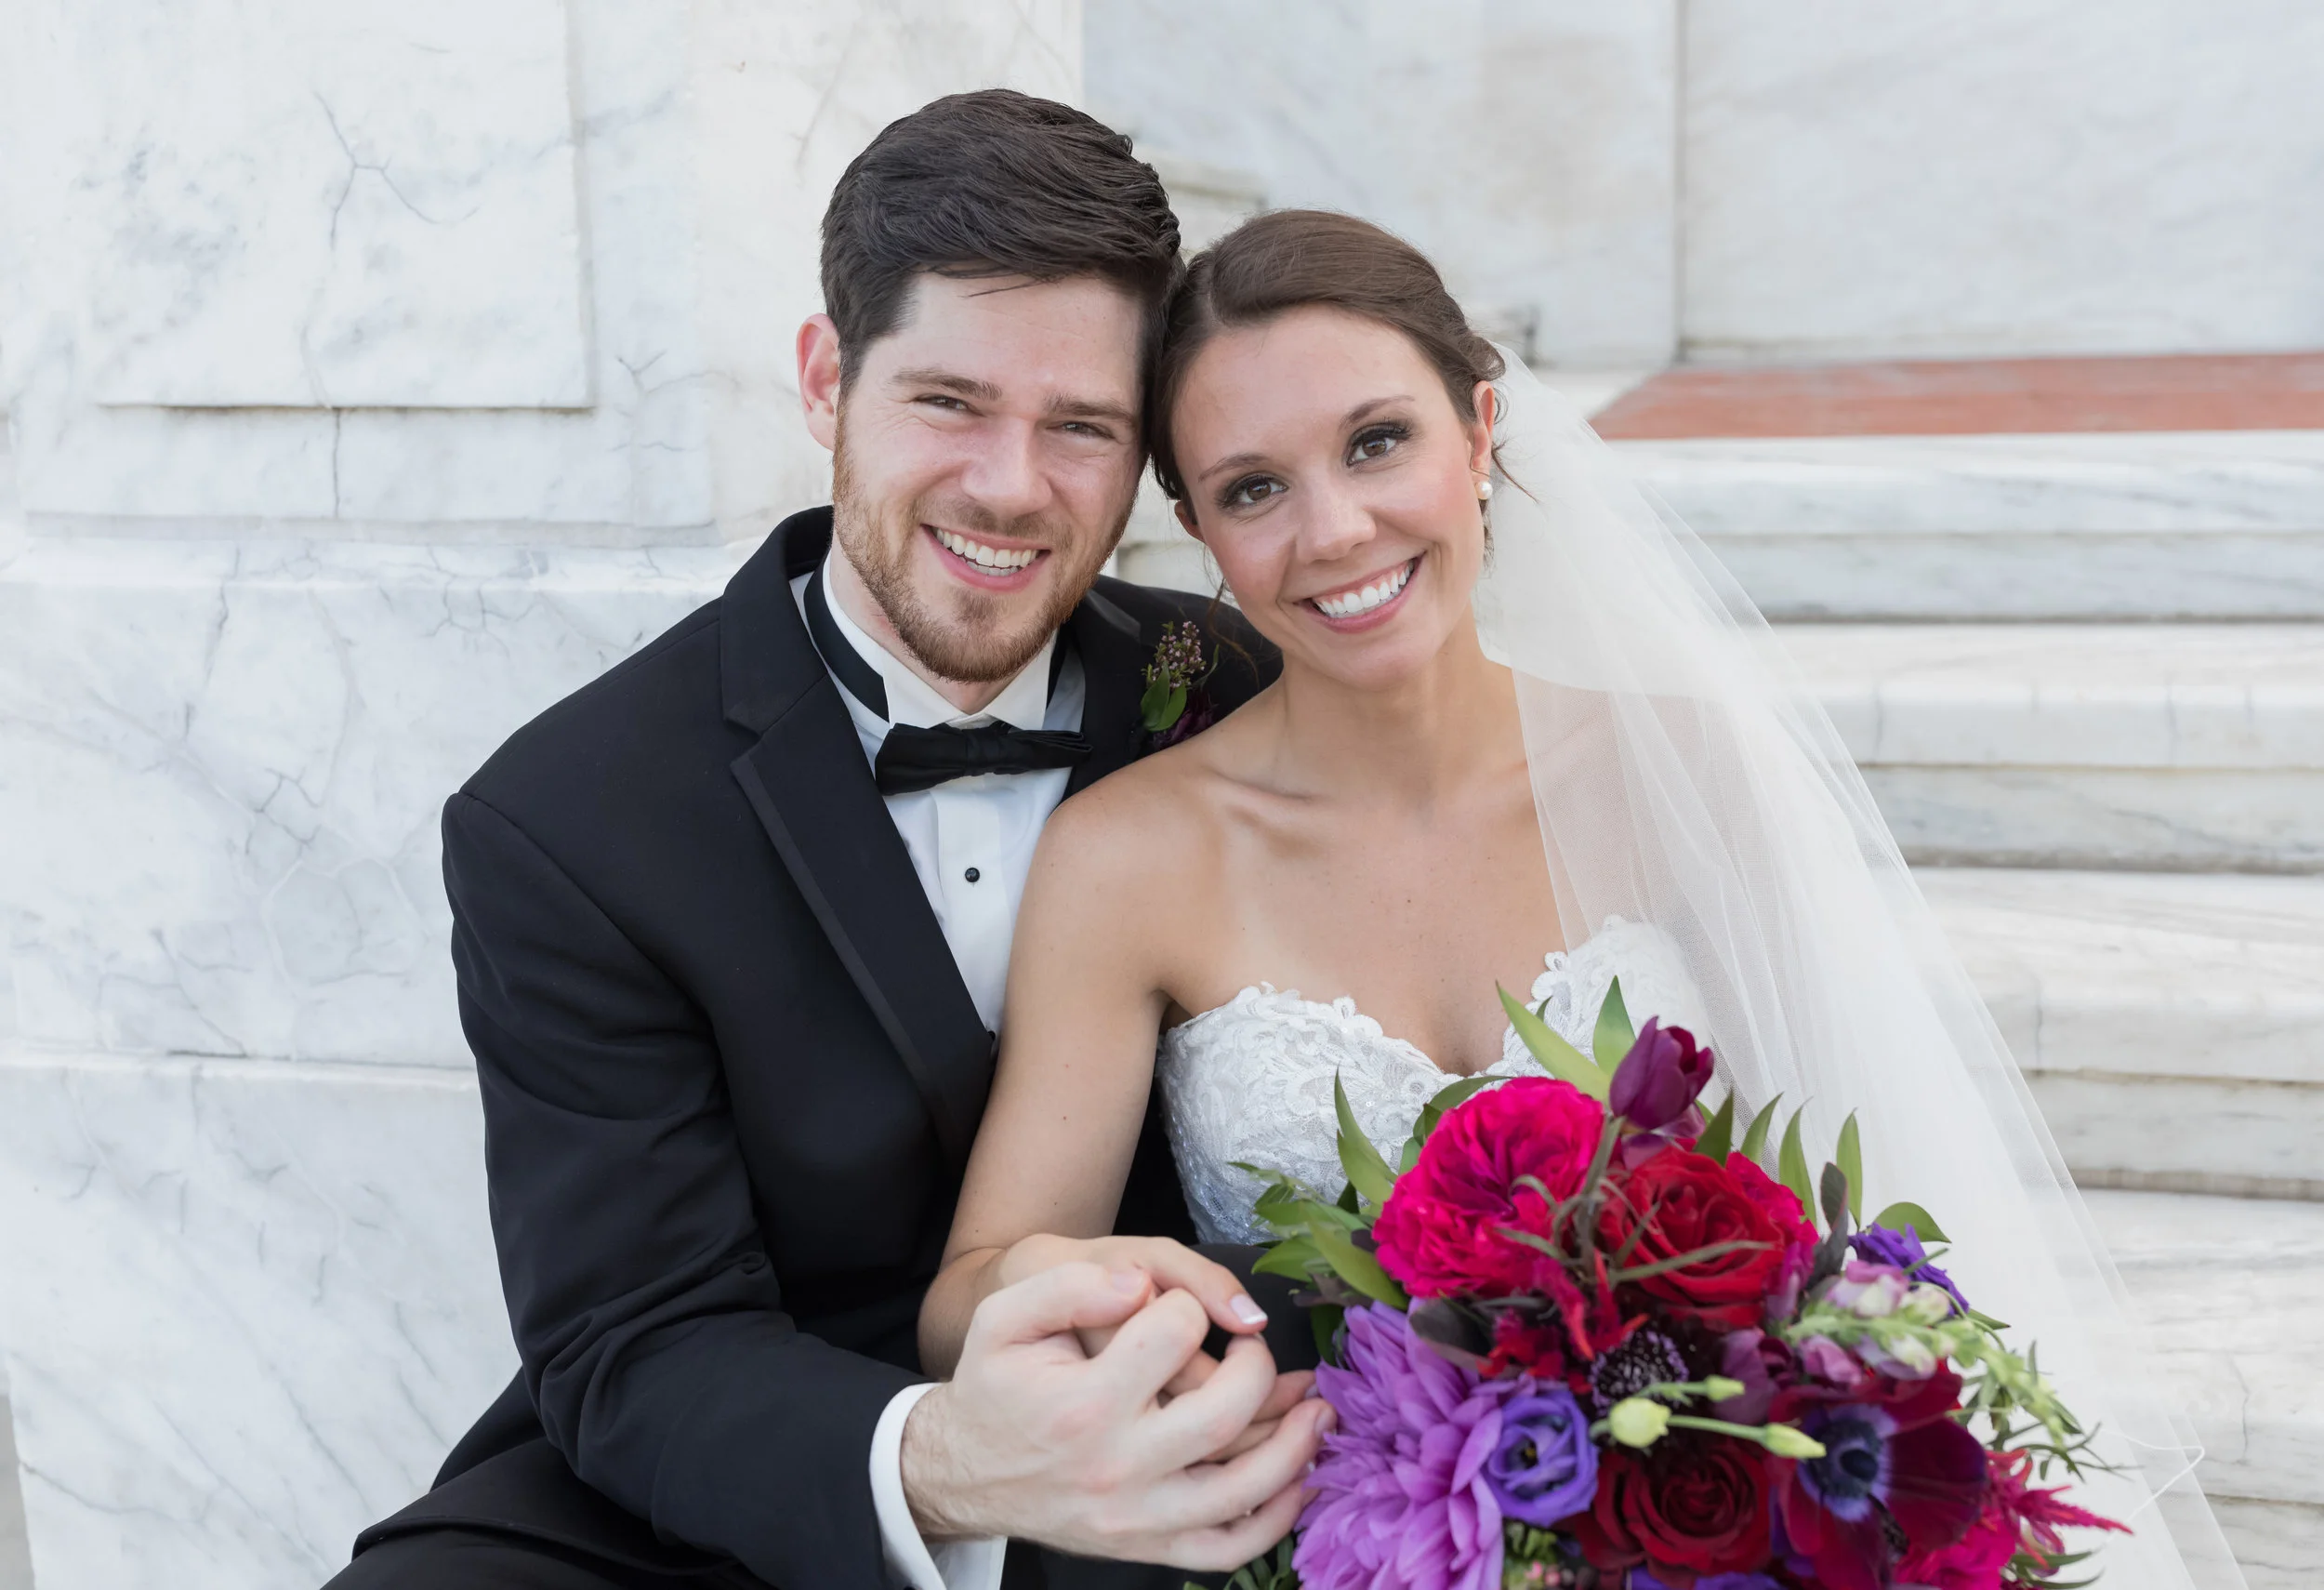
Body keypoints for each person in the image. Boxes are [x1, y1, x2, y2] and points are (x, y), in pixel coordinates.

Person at [920, 209, 2242, 1590]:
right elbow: (968, 1295)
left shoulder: (1682, 773)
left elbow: (1859, 1234)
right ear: (1197, 529)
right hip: (1325, 1545)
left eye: (1378, 442)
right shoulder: (1131, 856)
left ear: (1480, 430)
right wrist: (1144, 1303)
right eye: (1253, 489)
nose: (1336, 529)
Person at [329, 92, 1334, 1590]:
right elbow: (635, 1342)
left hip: (1189, 1433)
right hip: (757, 1474)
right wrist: (953, 1459)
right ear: (824, 379)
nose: (1011, 484)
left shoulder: (1245, 689)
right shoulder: (568, 817)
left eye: (1080, 426)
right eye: (950, 402)